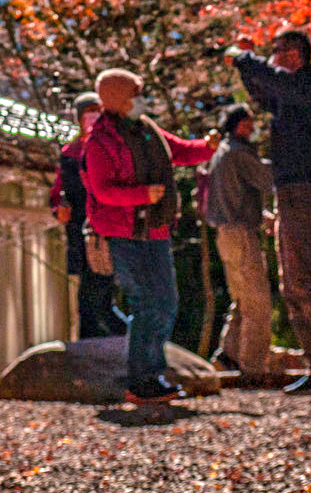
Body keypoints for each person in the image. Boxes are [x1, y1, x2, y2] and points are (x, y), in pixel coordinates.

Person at [227, 29, 311, 400]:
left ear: (296, 54)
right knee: (291, 284)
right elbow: (264, 92)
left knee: (305, 279)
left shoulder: (309, 87)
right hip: (289, 192)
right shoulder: (289, 97)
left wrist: (245, 59)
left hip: (307, 192)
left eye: (277, 51)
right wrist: (245, 68)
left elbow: (275, 84)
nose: (271, 58)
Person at [80, 66, 217, 403]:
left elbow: (180, 151)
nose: (142, 100)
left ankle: (153, 374)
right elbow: (102, 191)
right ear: (119, 99)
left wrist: (207, 146)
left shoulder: (146, 130)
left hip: (155, 230)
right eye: (135, 94)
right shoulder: (99, 142)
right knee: (146, 303)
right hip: (125, 234)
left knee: (166, 303)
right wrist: (143, 195)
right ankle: (142, 379)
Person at [201, 104, 278, 379]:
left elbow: (235, 195)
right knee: (257, 302)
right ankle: (253, 368)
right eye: (250, 123)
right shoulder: (239, 153)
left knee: (243, 298)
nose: (254, 128)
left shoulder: (222, 153)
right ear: (239, 125)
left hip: (225, 234)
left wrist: (263, 214)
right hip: (240, 233)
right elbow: (268, 179)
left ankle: (228, 356)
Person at [49, 92, 124, 339]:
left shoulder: (109, 146)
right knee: (90, 298)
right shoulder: (70, 152)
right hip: (79, 231)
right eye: (87, 111)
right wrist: (58, 206)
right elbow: (58, 190)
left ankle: (125, 342)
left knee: (98, 297)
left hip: (103, 230)